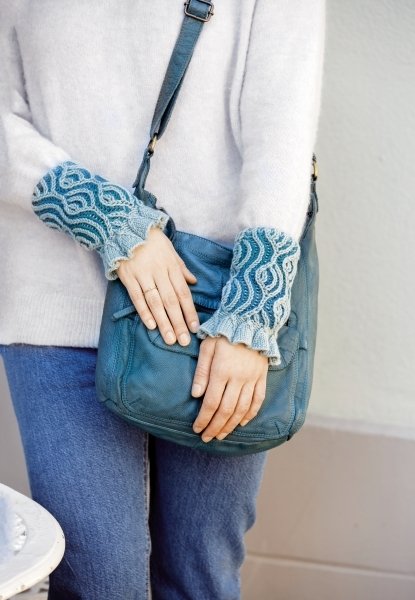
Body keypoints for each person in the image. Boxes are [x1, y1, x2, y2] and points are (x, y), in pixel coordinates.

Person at [0, 1, 326, 598]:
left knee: (200, 577)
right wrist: (108, 218)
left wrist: (252, 308)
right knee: (97, 582)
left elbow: (283, 129)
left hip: (217, 306)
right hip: (54, 297)